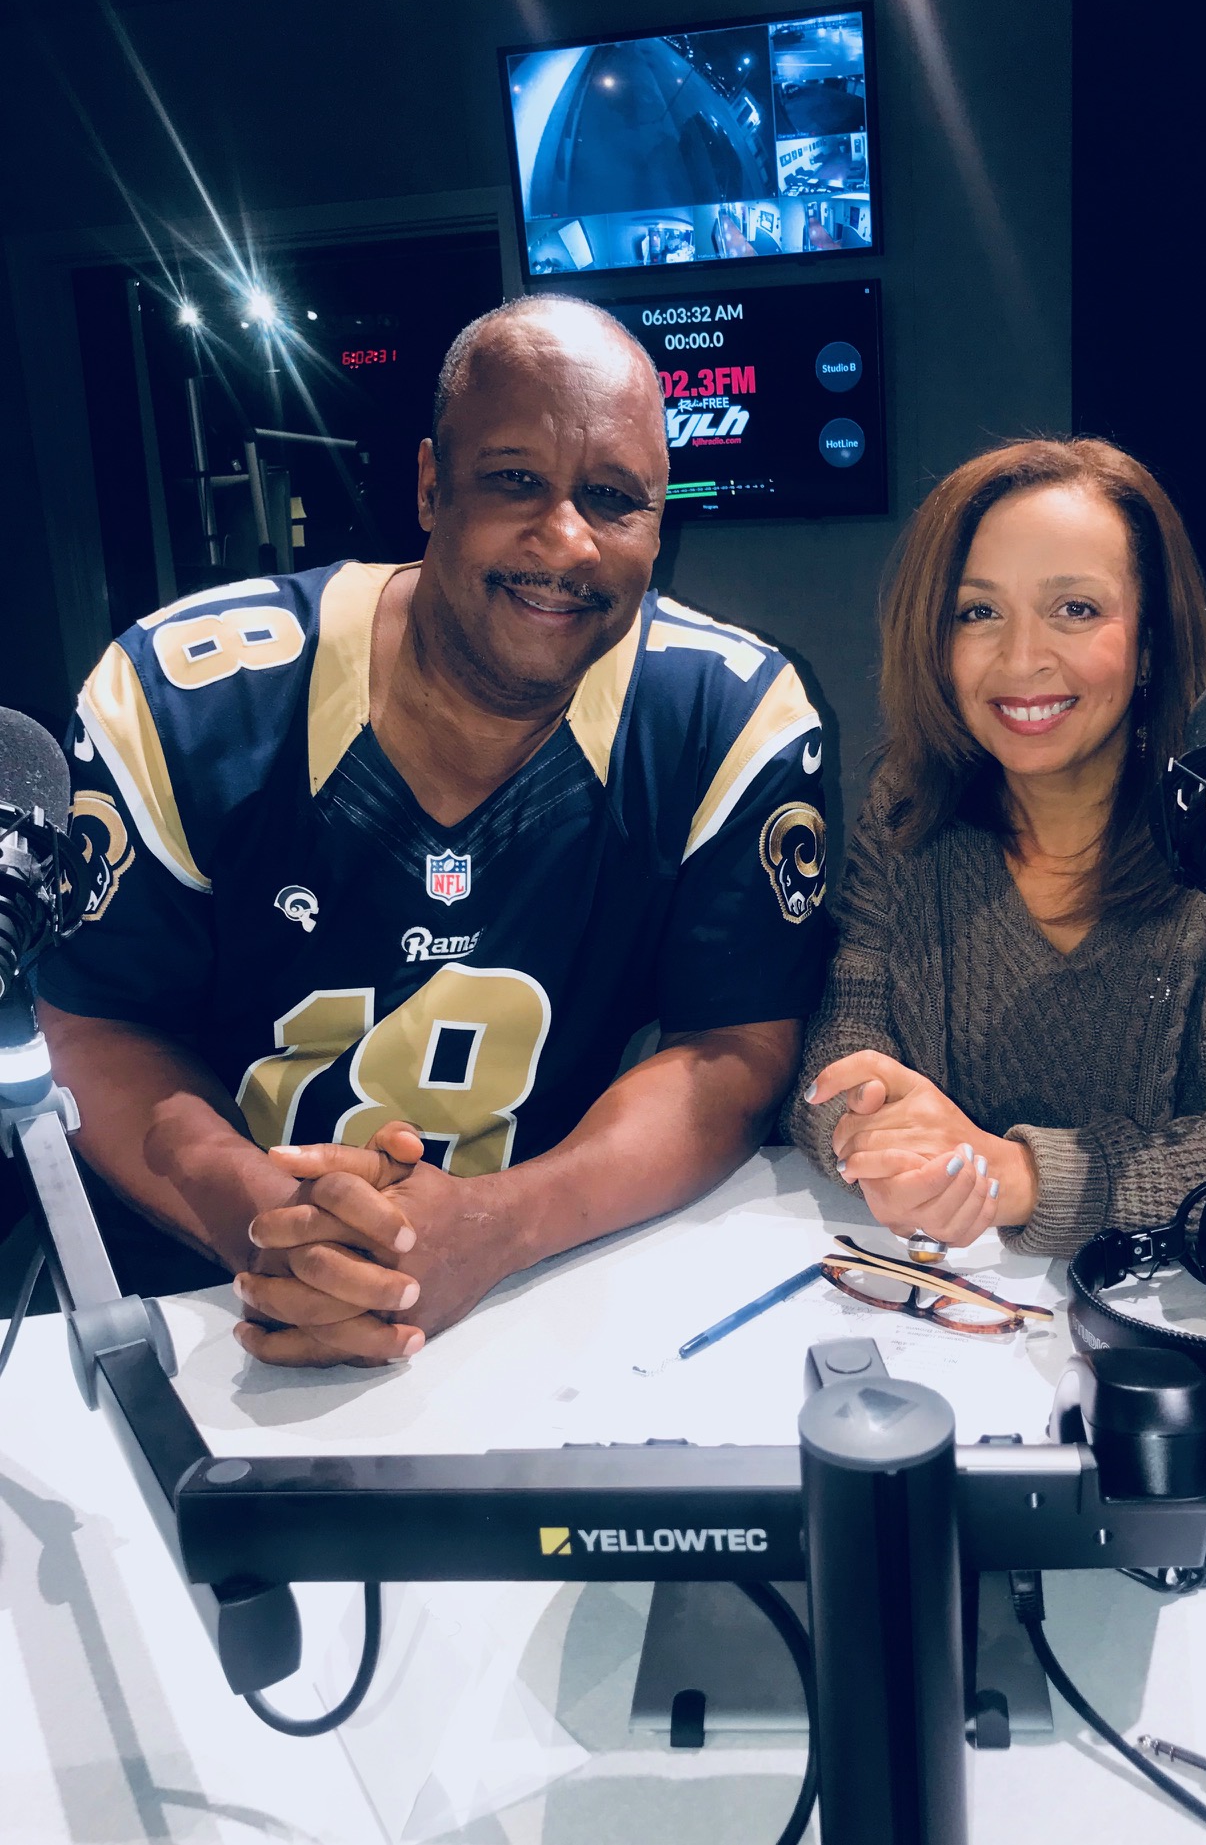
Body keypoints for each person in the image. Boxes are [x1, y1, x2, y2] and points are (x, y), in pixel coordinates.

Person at [35, 294, 829, 1364]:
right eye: (514, 480)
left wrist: (502, 1224)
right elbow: (92, 1025)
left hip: (546, 1287)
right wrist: (268, 1225)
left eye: (613, 498)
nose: (566, 540)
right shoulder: (180, 697)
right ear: (428, 484)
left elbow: (732, 1044)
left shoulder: (729, 716)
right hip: (206, 1302)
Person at [785, 438, 1206, 1254]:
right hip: (956, 1296)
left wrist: (1025, 1177)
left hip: (1178, 1308)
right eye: (977, 612)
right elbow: (838, 1047)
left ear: (1148, 642)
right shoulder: (907, 811)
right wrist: (870, 1137)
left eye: (1074, 608)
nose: (1022, 658)